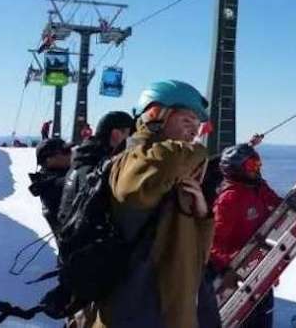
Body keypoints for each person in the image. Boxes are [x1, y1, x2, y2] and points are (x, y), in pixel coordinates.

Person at [88, 80, 213, 328]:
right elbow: (153, 171)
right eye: (186, 121)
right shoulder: (131, 163)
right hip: (132, 313)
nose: (193, 133)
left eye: (197, 127)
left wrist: (201, 214)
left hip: (167, 314)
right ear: (155, 115)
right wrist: (199, 152)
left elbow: (197, 257)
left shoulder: (174, 178)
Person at [208, 136, 281, 328]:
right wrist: (229, 269)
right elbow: (213, 243)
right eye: (251, 165)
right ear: (237, 170)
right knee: (247, 320)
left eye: (258, 164)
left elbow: (277, 204)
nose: (256, 169)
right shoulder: (230, 199)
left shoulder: (257, 187)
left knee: (264, 315)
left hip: (257, 264)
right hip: (238, 272)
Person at [57, 111, 135, 227]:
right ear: (116, 134)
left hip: (70, 235)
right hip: (91, 241)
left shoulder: (84, 157)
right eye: (130, 136)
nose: (131, 142)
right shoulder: (101, 165)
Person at [28, 137, 72, 234]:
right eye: (65, 151)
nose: (71, 153)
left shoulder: (58, 176)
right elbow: (73, 182)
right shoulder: (50, 185)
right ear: (49, 159)